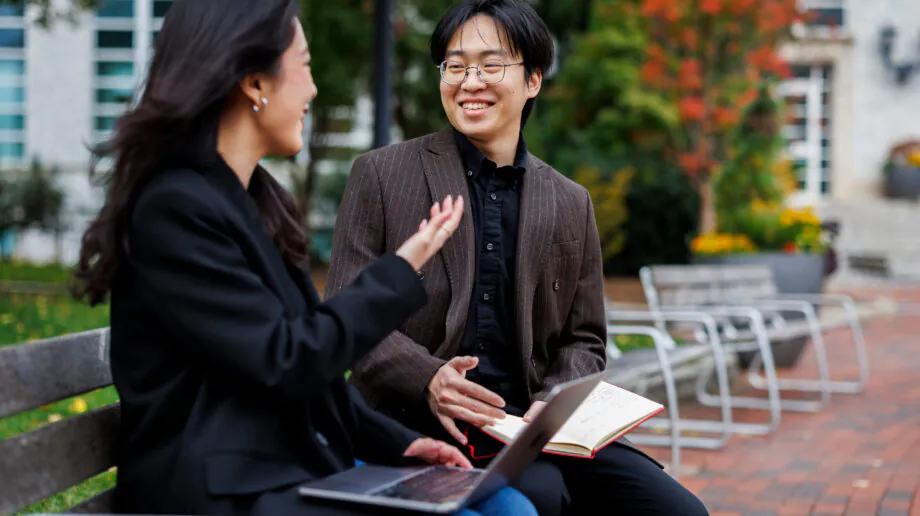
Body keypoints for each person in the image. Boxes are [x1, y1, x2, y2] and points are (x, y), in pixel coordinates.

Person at [72, 0, 538, 514]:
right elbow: (287, 361)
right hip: (221, 490)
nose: (313, 88)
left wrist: (397, 444)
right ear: (255, 82)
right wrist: (402, 267)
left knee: (508, 507)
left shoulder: (252, 200)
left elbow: (305, 376)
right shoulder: (176, 207)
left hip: (276, 471)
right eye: (305, 65)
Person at [325, 1, 710, 515]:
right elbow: (345, 311)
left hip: (536, 424)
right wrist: (428, 377)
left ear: (532, 80)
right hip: (418, 420)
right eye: (455, 66)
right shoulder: (380, 174)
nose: (469, 81)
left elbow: (585, 338)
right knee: (540, 499)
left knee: (680, 512)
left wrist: (553, 403)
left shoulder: (571, 200)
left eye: (489, 65)